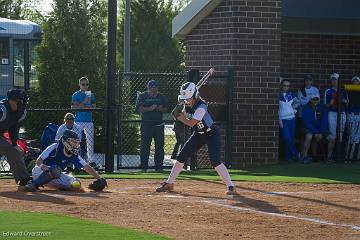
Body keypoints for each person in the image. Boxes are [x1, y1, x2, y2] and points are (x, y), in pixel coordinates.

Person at [156, 82, 236, 195]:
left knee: (215, 161)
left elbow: (191, 123)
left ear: (194, 95)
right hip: (198, 134)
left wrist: (179, 117)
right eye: (185, 99)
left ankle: (230, 186)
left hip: (211, 134)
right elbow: (184, 113)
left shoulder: (201, 106)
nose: (187, 101)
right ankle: (170, 183)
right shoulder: (186, 103)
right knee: (181, 156)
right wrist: (179, 111)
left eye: (188, 98)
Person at [19, 130, 106, 192]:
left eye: (76, 143)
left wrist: (98, 178)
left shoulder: (74, 155)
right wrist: (42, 166)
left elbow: (87, 167)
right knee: (55, 170)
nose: (75, 145)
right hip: (39, 171)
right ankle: (33, 184)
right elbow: (39, 160)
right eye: (73, 142)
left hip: (56, 174)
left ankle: (59, 186)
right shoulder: (54, 147)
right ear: (65, 141)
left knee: (76, 184)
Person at [0, 89, 31, 187]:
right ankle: (24, 179)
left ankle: (23, 179)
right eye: (19, 101)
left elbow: (14, 129)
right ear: (11, 101)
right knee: (10, 150)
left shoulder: (20, 113)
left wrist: (14, 144)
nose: (22, 103)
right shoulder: (2, 109)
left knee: (15, 151)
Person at [136, 80, 168, 171]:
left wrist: (161, 109)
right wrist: (150, 108)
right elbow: (139, 108)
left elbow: (166, 108)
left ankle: (158, 166)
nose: (154, 89)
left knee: (159, 146)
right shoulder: (142, 96)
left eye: (155, 87)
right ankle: (144, 166)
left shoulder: (161, 97)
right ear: (148, 88)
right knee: (145, 146)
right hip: (146, 124)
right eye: (152, 88)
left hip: (159, 124)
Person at [71, 77, 96, 167]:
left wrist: (81, 105)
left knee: (90, 142)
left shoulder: (91, 95)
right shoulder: (75, 95)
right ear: (79, 85)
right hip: (78, 121)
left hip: (89, 121)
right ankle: (75, 160)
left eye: (86, 84)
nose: (85, 86)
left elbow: (94, 106)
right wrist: (85, 102)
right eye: (83, 84)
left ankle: (91, 161)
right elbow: (73, 108)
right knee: (76, 141)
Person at [301, 92, 332, 163]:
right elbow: (307, 122)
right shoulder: (305, 108)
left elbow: (324, 121)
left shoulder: (322, 108)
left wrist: (320, 132)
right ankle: (304, 157)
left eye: (316, 99)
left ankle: (329, 158)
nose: (315, 101)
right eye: (313, 99)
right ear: (310, 100)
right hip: (309, 129)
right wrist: (316, 132)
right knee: (309, 136)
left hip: (321, 130)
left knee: (332, 138)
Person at [324, 73, 349, 162]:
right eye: (333, 79)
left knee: (341, 135)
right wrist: (330, 104)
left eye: (336, 79)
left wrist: (344, 101)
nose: (334, 81)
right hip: (332, 113)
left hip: (342, 113)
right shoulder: (328, 91)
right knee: (333, 135)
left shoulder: (343, 91)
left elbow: (347, 103)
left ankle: (339, 156)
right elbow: (325, 106)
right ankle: (330, 157)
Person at [278, 79, 301, 163]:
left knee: (290, 138)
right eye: (284, 85)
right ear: (281, 85)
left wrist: (293, 109)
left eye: (288, 86)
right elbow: (276, 109)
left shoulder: (291, 95)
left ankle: (288, 158)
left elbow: (298, 103)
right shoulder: (277, 95)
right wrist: (279, 120)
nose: (286, 87)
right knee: (287, 138)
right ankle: (297, 154)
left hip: (292, 119)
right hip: (283, 120)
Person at [345, 75, 360, 162]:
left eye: (357, 81)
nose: (355, 82)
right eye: (354, 81)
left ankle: (355, 158)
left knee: (357, 138)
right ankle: (347, 158)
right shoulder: (348, 92)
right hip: (351, 115)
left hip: (359, 115)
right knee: (351, 137)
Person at [170, 96, 187, 161]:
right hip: (179, 127)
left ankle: (174, 155)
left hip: (180, 126)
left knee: (180, 141)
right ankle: (180, 155)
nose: (182, 100)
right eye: (181, 99)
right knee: (182, 141)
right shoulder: (179, 106)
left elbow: (173, 113)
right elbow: (175, 115)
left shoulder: (181, 106)